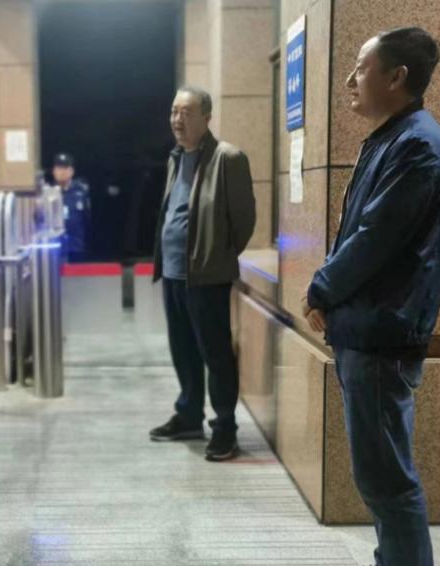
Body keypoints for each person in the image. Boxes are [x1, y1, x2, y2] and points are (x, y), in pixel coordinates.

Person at [303, 28, 440, 566]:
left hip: (380, 332)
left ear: (397, 77)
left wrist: (321, 288)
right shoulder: (394, 139)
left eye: (361, 68)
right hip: (369, 328)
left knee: (388, 483)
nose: (350, 79)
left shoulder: (417, 146)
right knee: (381, 478)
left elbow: (374, 239)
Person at [149, 86, 256, 462]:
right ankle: (189, 415)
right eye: (174, 111)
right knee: (183, 350)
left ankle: (225, 427)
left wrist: (217, 257)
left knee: (216, 354)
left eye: (187, 112)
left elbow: (244, 222)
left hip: (207, 276)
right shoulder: (176, 158)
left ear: (207, 118)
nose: (177, 120)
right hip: (174, 273)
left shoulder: (228, 158)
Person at [50, 153, 92, 262]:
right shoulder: (48, 193)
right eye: (59, 168)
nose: (62, 172)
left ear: (72, 171)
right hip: (54, 247)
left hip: (76, 246)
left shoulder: (81, 191)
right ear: (54, 171)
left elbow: (86, 218)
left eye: (65, 168)